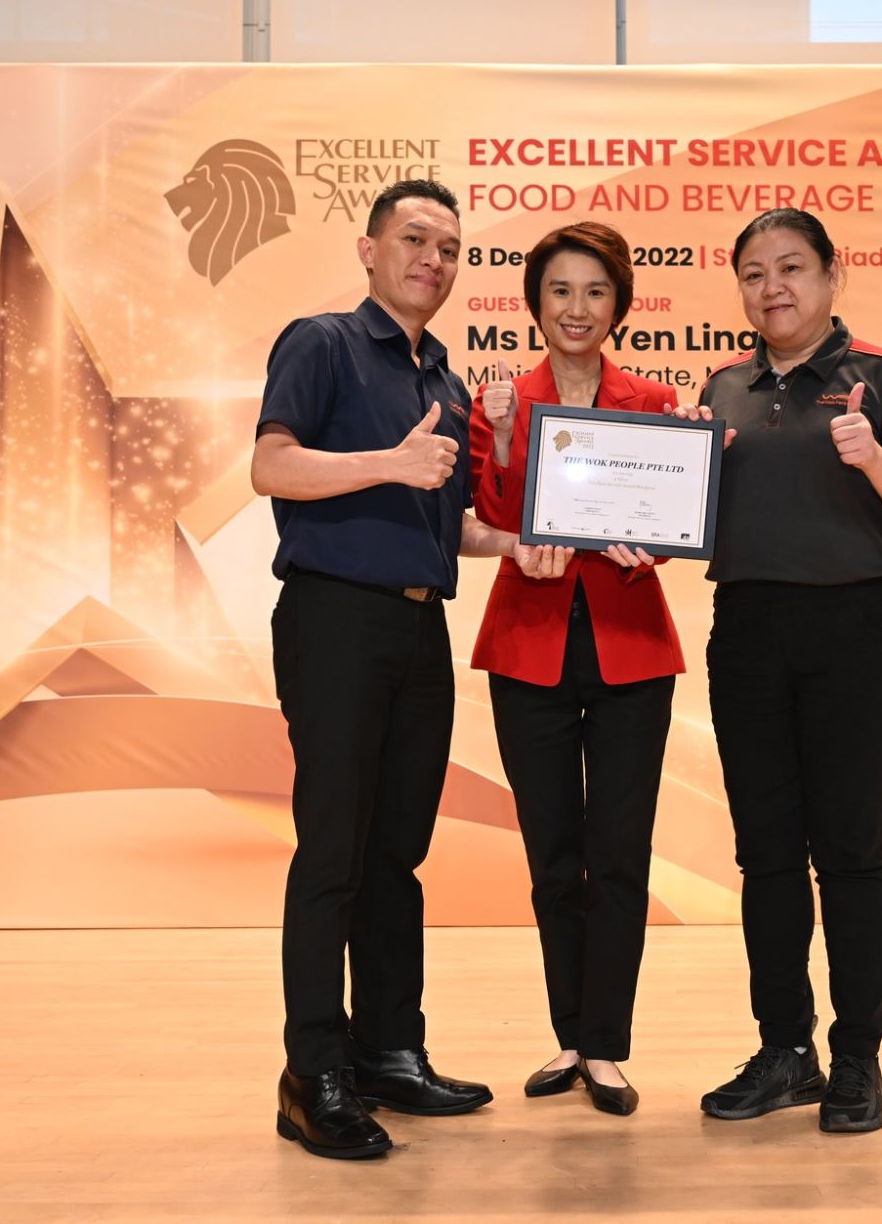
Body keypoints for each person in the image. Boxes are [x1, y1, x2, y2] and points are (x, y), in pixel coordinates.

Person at [252, 179, 568, 1160]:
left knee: (396, 854)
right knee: (334, 854)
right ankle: (313, 1073)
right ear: (368, 247)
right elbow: (271, 465)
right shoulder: (322, 343)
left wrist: (513, 543)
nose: (432, 259)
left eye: (450, 247)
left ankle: (389, 1048)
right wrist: (383, 464)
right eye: (414, 239)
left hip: (417, 628)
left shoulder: (448, 382)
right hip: (334, 620)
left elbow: (454, 517)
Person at [676, 207, 882, 1135]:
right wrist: (652, 519)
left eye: (792, 268)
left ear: (833, 275)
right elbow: (689, 529)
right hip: (747, 629)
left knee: (850, 849)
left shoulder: (881, 376)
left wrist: (875, 458)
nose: (773, 288)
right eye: (753, 273)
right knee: (765, 855)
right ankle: (785, 1049)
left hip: (850, 629)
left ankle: (859, 1058)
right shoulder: (721, 388)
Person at [466, 222, 684, 1117]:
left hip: (632, 649)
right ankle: (567, 1031)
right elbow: (487, 511)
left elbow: (667, 525)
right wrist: (511, 440)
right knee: (554, 853)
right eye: (560, 290)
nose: (577, 308)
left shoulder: (656, 400)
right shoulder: (501, 399)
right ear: (535, 303)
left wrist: (659, 534)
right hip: (529, 646)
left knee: (620, 854)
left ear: (619, 306)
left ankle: (606, 1045)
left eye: (595, 291)